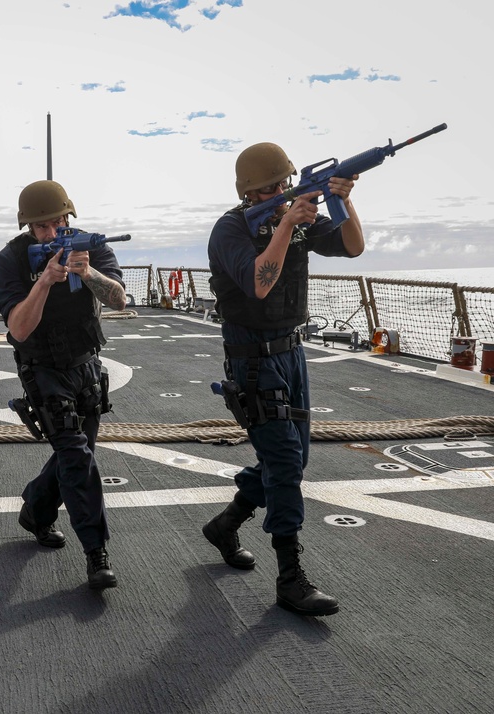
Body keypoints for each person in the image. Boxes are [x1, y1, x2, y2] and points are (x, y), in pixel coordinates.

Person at [203, 142, 364, 617]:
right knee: (286, 461)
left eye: (285, 184)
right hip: (252, 358)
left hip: (291, 353)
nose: (282, 192)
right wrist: (287, 224)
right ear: (251, 193)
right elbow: (258, 282)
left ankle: (226, 522)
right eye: (272, 188)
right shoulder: (231, 228)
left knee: (296, 458)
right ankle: (290, 577)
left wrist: (343, 200)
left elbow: (353, 247)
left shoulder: (299, 218)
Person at [0, 180, 127, 590]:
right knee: (76, 457)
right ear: (28, 228)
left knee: (75, 453)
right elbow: (17, 328)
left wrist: (86, 272)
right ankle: (96, 552)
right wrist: (45, 281)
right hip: (42, 368)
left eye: (58, 224)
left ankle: (35, 508)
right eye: (42, 227)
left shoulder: (91, 248)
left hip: (85, 365)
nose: (52, 234)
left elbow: (120, 300)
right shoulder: (12, 259)